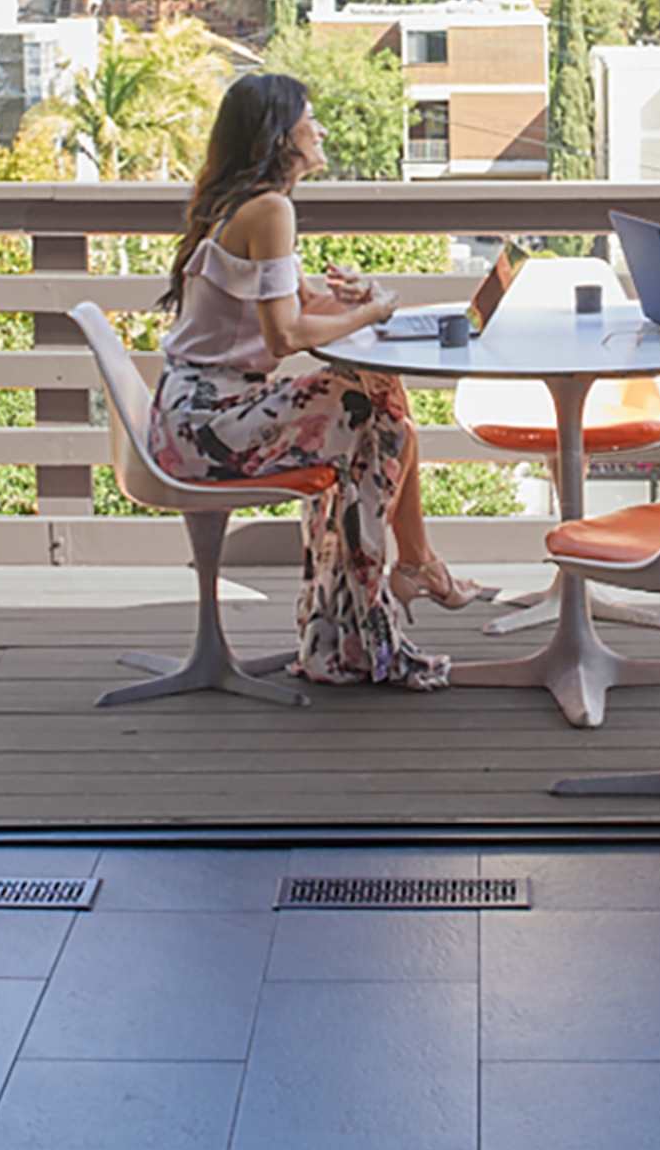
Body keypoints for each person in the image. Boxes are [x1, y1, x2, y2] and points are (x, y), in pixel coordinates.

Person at [150, 72, 490, 690]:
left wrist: (354, 299)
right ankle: (404, 577)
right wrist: (372, 313)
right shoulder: (269, 210)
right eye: (311, 119)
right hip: (207, 426)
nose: (322, 129)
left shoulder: (242, 206)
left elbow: (300, 309)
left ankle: (402, 577)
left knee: (377, 397)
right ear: (282, 136)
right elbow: (285, 337)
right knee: (376, 402)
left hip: (192, 412)